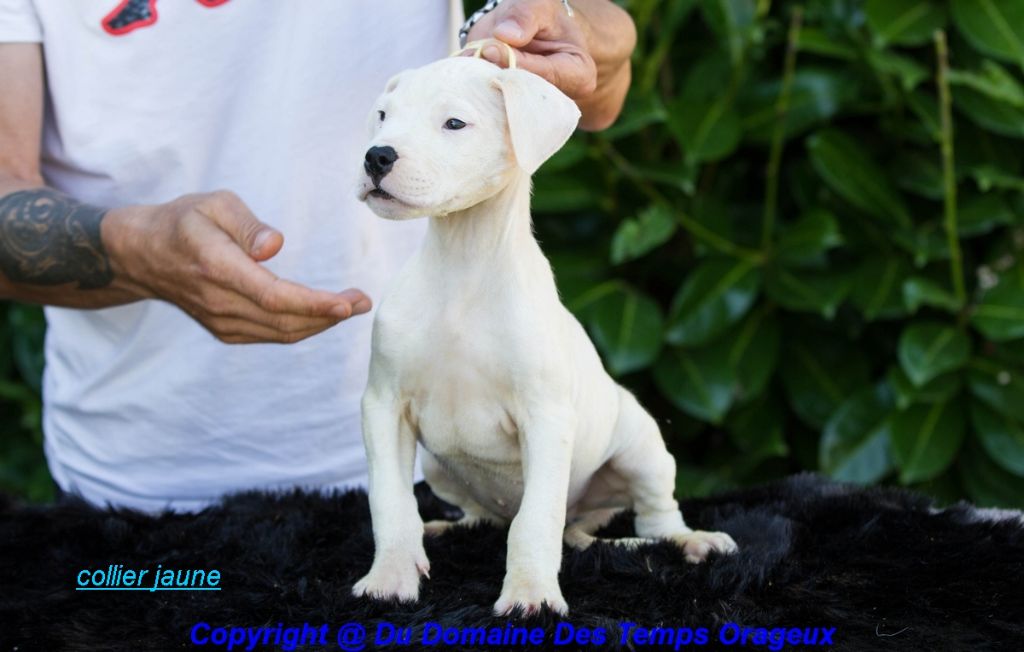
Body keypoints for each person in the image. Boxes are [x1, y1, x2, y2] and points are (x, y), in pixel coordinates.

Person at [0, 0, 636, 511]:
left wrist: (566, 27)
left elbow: (603, 81)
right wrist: (131, 251)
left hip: (431, 468)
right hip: (128, 484)